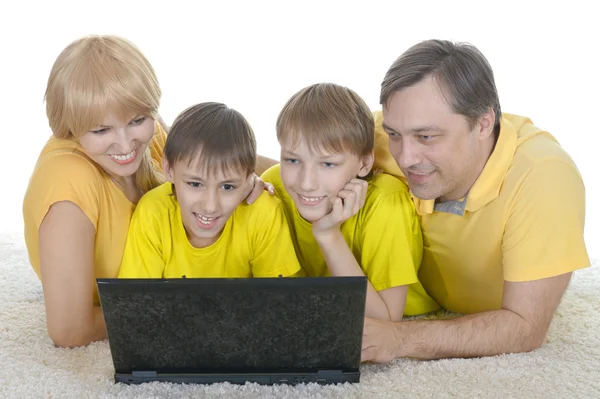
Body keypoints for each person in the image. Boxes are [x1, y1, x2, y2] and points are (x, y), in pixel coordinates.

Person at [22, 35, 271, 348]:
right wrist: (185, 304)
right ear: (71, 126)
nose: (126, 145)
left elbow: (211, 158)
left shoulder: (148, 137)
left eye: (137, 120)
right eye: (101, 130)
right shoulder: (68, 186)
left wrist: (272, 177)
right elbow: (70, 331)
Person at [360, 39, 590, 361]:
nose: (406, 157)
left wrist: (399, 339)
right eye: (395, 133)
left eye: (426, 137)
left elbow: (525, 326)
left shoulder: (544, 177)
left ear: (483, 123)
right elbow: (303, 165)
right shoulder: (386, 135)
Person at [261, 83, 440, 321]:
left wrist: (328, 235)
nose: (306, 183)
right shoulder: (274, 185)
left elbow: (384, 323)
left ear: (364, 164)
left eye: (327, 164)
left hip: (404, 314)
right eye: (292, 160)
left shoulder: (386, 202)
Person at [118, 102, 303, 279]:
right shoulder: (153, 214)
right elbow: (135, 307)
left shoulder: (262, 212)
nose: (210, 206)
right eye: (195, 184)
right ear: (168, 169)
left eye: (227, 187)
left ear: (248, 180)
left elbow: (279, 304)